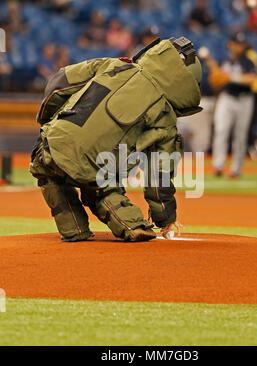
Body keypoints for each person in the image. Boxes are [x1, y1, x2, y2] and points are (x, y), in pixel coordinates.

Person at [29, 36, 202, 242]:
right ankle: (133, 225)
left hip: (53, 146)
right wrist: (166, 219)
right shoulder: (165, 117)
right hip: (98, 170)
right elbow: (159, 177)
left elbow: (58, 85)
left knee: (47, 170)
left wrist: (50, 123)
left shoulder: (115, 65)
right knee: (103, 188)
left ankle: (74, 229)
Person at [205, 33, 257, 177]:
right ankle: (218, 165)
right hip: (227, 97)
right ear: (230, 44)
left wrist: (229, 77)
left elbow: (251, 79)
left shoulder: (248, 61)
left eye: (241, 44)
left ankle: (236, 169)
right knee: (221, 130)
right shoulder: (224, 60)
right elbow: (215, 80)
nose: (239, 47)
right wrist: (217, 78)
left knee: (240, 135)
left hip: (245, 99)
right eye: (237, 44)